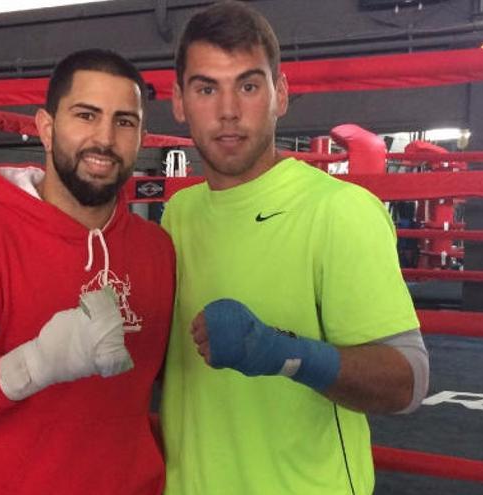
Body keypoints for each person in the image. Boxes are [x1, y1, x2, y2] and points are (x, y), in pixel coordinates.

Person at [158, 2, 429, 494]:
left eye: (248, 85)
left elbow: (408, 382)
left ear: (279, 94)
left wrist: (284, 353)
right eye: (205, 88)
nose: (228, 111)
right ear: (179, 101)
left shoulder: (339, 211)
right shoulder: (180, 214)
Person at [0, 49, 175, 494]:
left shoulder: (156, 249)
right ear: (46, 127)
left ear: (141, 136)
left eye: (125, 121)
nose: (104, 138)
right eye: (86, 115)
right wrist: (30, 366)